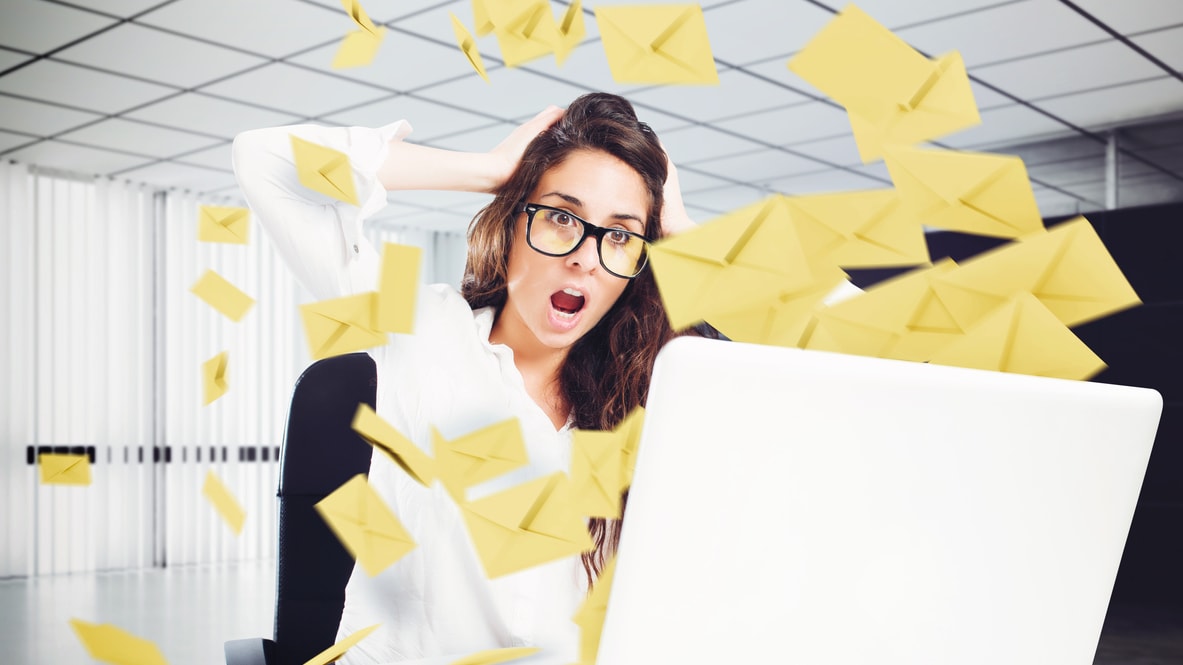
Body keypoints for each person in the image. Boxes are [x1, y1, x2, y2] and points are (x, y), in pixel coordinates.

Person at [232, 92, 697, 665]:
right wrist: (490, 170)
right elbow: (266, 161)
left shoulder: (652, 394)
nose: (586, 257)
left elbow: (838, 344)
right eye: (559, 217)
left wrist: (679, 229)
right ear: (510, 223)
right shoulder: (422, 326)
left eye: (620, 235)